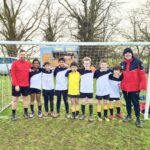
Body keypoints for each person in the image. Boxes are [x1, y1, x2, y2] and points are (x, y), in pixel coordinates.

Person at [121, 48, 147, 128]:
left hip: (134, 88)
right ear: (124, 55)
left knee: (136, 103)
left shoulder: (138, 62)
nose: (127, 54)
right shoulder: (122, 63)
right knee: (128, 103)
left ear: (131, 54)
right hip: (125, 88)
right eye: (126, 53)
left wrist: (143, 85)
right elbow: (120, 75)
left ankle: (138, 118)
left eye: (129, 53)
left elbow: (142, 75)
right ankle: (129, 115)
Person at [11, 50, 32, 121]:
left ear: (26, 55)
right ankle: (13, 114)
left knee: (25, 99)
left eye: (24, 54)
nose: (22, 56)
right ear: (19, 55)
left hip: (25, 85)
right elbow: (13, 75)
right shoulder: (14, 63)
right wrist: (16, 85)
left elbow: (35, 69)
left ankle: (25, 113)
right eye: (21, 54)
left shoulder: (28, 64)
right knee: (15, 100)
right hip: (16, 85)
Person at [78, 57, 94, 122]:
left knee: (90, 102)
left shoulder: (93, 70)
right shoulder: (80, 71)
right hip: (83, 90)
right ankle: (83, 114)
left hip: (90, 90)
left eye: (88, 63)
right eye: (85, 63)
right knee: (83, 102)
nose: (86, 64)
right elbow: (71, 69)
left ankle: (90, 115)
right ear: (83, 64)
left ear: (90, 64)